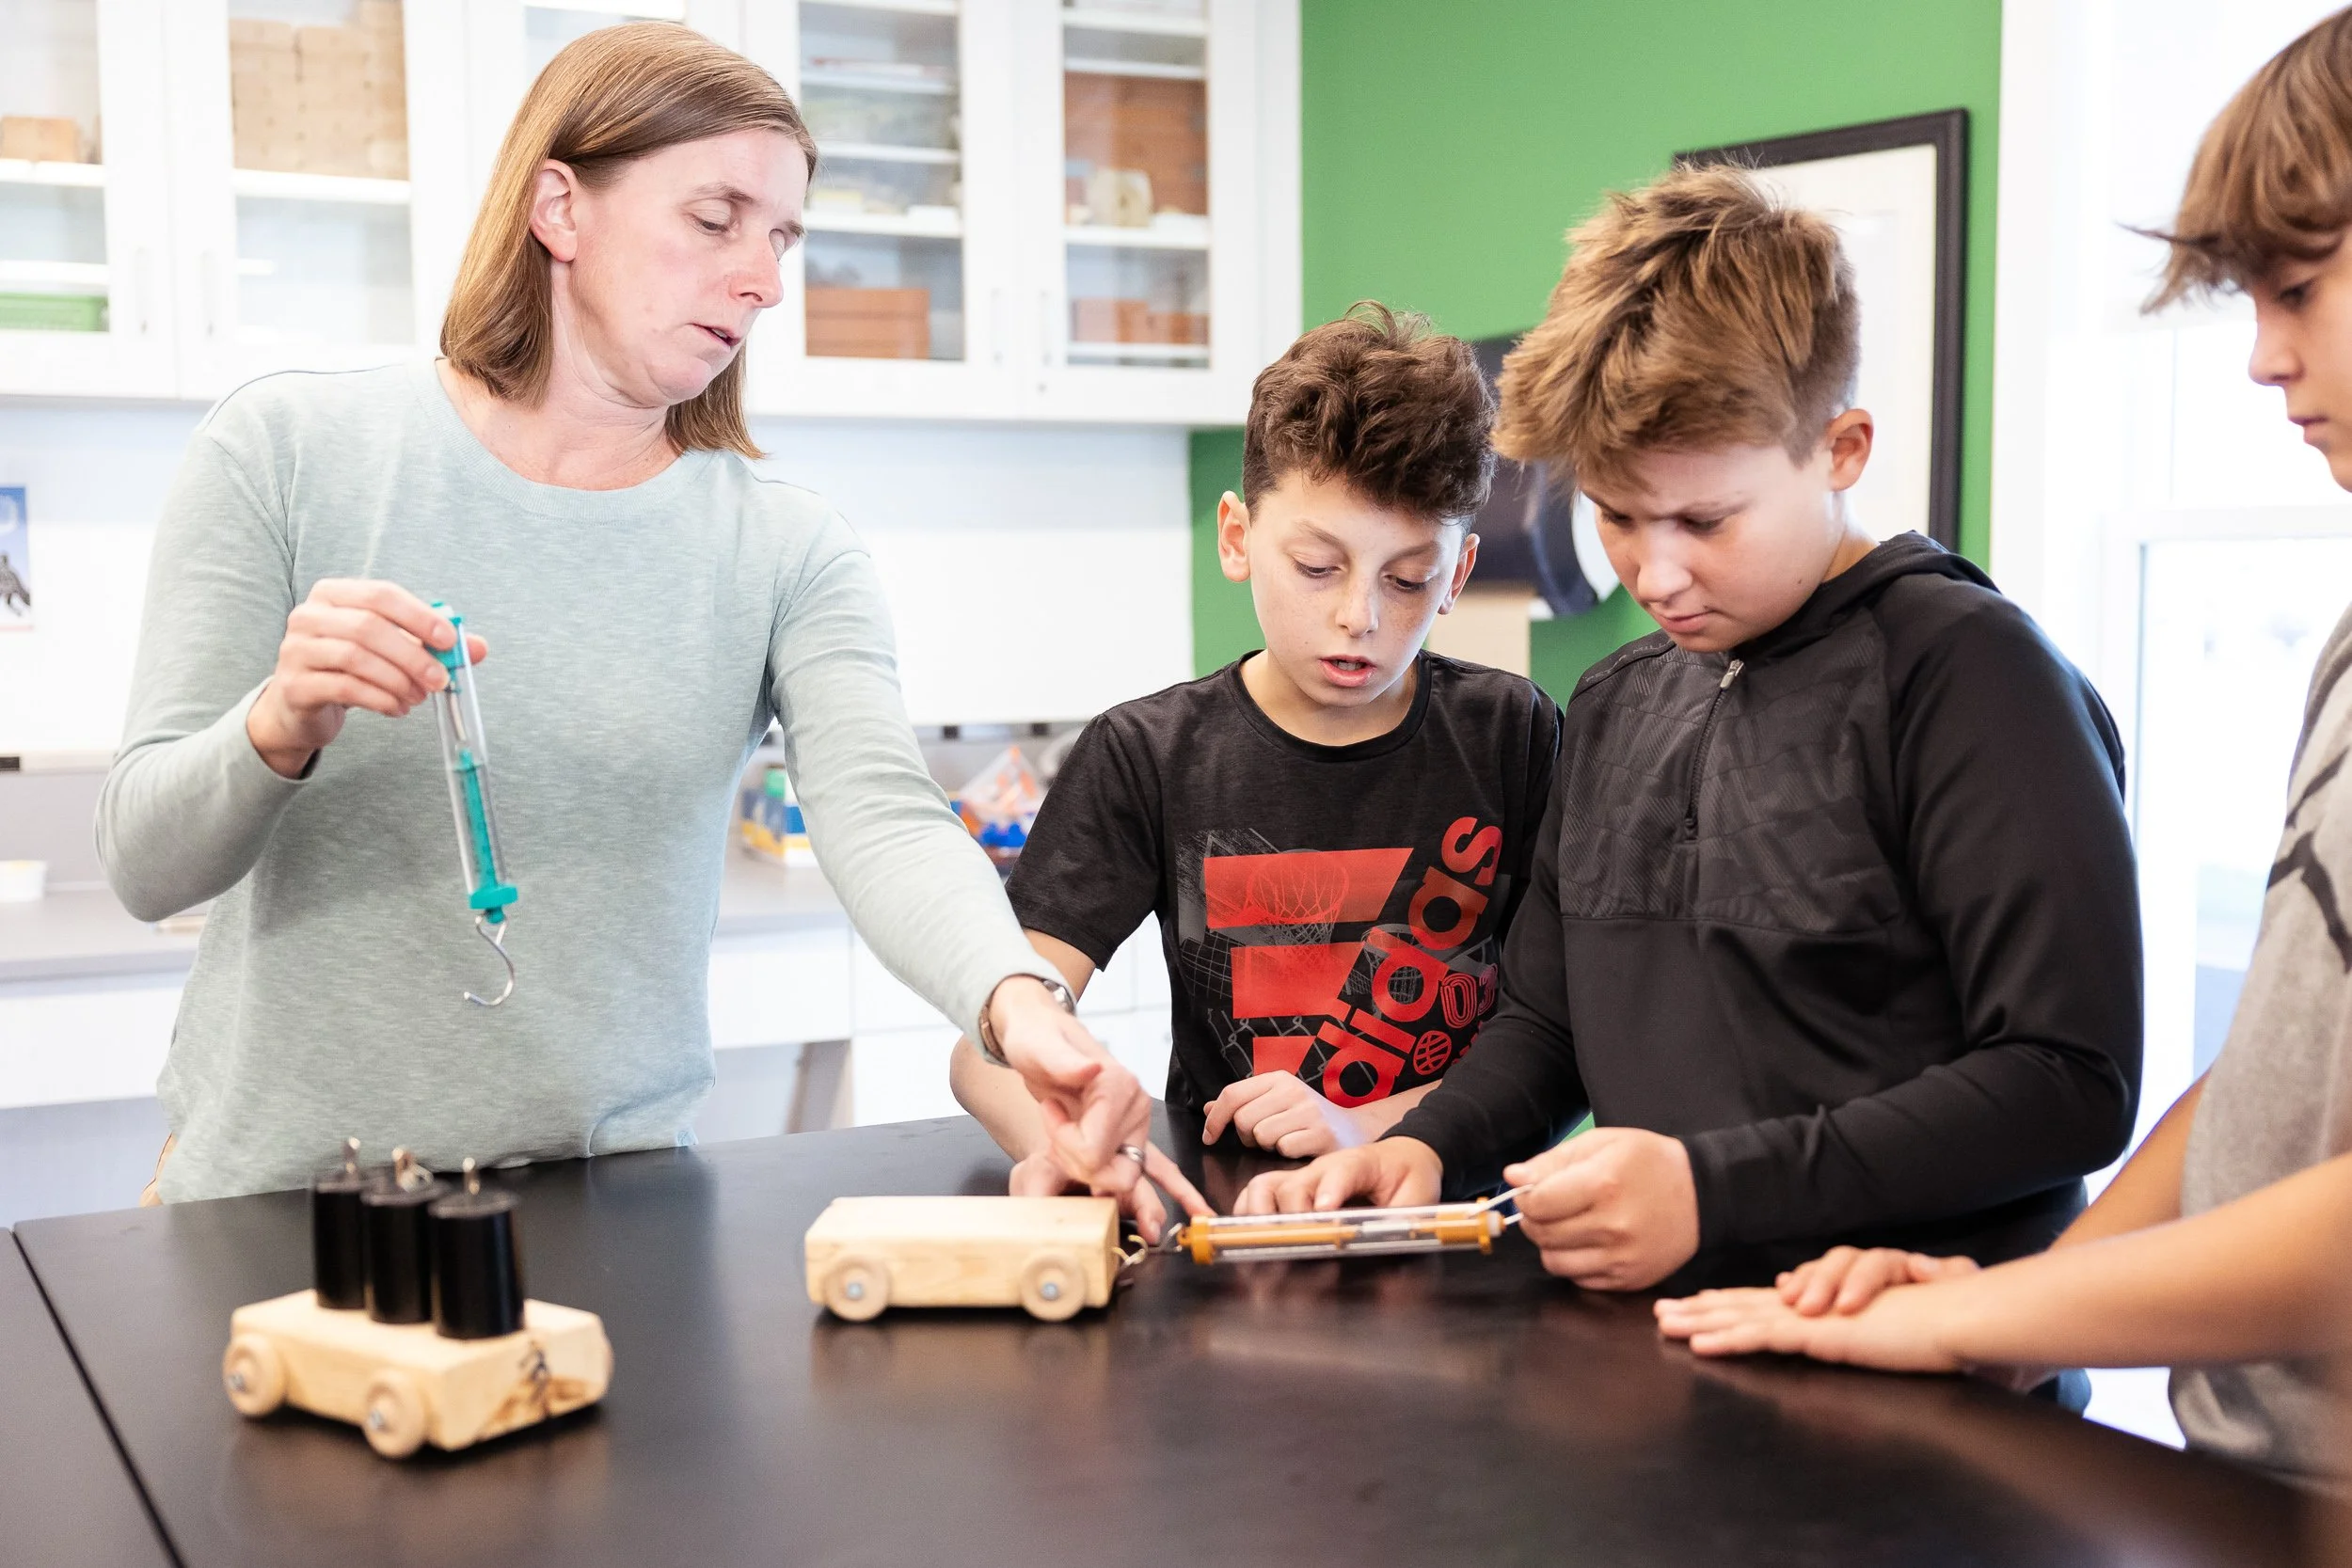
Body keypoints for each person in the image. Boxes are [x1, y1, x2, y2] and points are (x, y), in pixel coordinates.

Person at [100, 23, 1167, 1219]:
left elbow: (883, 817)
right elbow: (144, 862)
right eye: (716, 219)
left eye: (782, 238)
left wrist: (1023, 1009)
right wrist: (278, 722)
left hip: (611, 1211)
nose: (762, 277)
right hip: (282, 1203)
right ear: (561, 206)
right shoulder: (287, 453)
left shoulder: (785, 545)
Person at [1241, 166, 2144, 1314]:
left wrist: (1710, 1190)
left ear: (1841, 447)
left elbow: (2069, 1079)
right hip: (1655, 1351)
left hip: (1921, 1368)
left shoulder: (1971, 677)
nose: (1654, 572)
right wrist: (1427, 1143)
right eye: (1615, 514)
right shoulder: (1618, 698)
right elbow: (1549, 1021)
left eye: (1704, 520)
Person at [1657, 9, 2352, 1489]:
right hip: (2260, 1472)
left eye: (2298, 287)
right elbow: (2277, 1090)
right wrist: (2004, 1321)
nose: (2260, 357)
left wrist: (1999, 1297)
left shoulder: (1965, 663)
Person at [951, 305, 1562, 1214]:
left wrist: (1378, 1124)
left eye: (1407, 579)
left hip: (1455, 1219)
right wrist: (1068, 1140)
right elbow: (986, 1053)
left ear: (1460, 574)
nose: (1361, 615)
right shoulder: (1147, 755)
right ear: (1237, 537)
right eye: (1318, 566)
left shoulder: (1511, 733)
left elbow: (1558, 1035)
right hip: (1233, 1228)